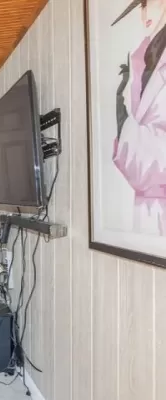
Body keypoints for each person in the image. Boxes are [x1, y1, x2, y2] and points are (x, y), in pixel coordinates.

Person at [112, 0, 166, 234]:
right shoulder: (144, 59)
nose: (145, 14)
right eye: (142, 5)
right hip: (148, 218)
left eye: (152, 2)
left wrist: (123, 123)